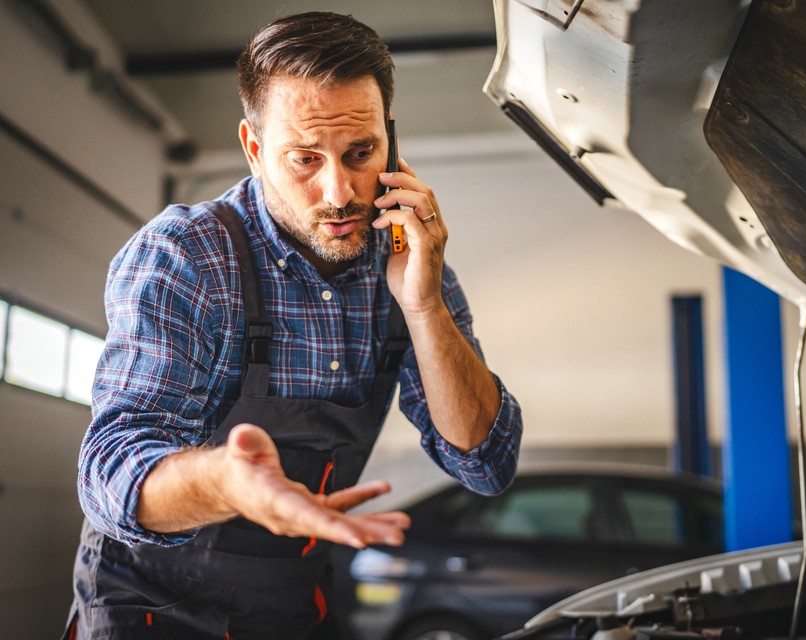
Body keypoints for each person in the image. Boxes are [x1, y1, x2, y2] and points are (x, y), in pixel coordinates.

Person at [63, 11, 522, 640]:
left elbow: (486, 465)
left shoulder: (413, 262)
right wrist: (227, 482)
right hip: (150, 607)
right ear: (254, 149)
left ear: (391, 136)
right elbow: (109, 471)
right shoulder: (187, 256)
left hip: (291, 610)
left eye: (361, 152)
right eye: (304, 158)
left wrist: (423, 307)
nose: (339, 191)